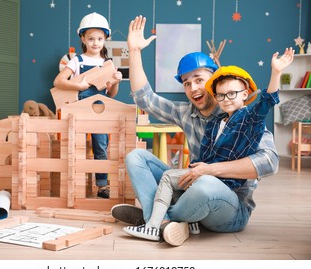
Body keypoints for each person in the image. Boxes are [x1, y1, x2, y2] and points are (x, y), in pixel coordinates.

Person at [111, 15, 280, 245]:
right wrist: (134, 51)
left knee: (206, 183)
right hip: (192, 190)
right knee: (136, 156)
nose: (193, 88)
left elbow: (270, 162)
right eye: (186, 82)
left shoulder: (241, 116)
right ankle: (161, 223)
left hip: (230, 207)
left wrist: (210, 170)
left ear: (214, 81)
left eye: (199, 80)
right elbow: (145, 100)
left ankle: (153, 217)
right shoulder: (185, 112)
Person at [54, 12, 122, 199]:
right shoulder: (77, 61)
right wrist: (79, 85)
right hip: (79, 111)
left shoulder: (107, 63)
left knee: (101, 147)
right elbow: (58, 81)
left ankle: (101, 186)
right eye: (91, 38)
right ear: (82, 38)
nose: (95, 43)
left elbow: (112, 94)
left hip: (100, 111)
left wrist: (116, 81)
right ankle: (74, 184)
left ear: (105, 39)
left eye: (100, 38)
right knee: (75, 147)